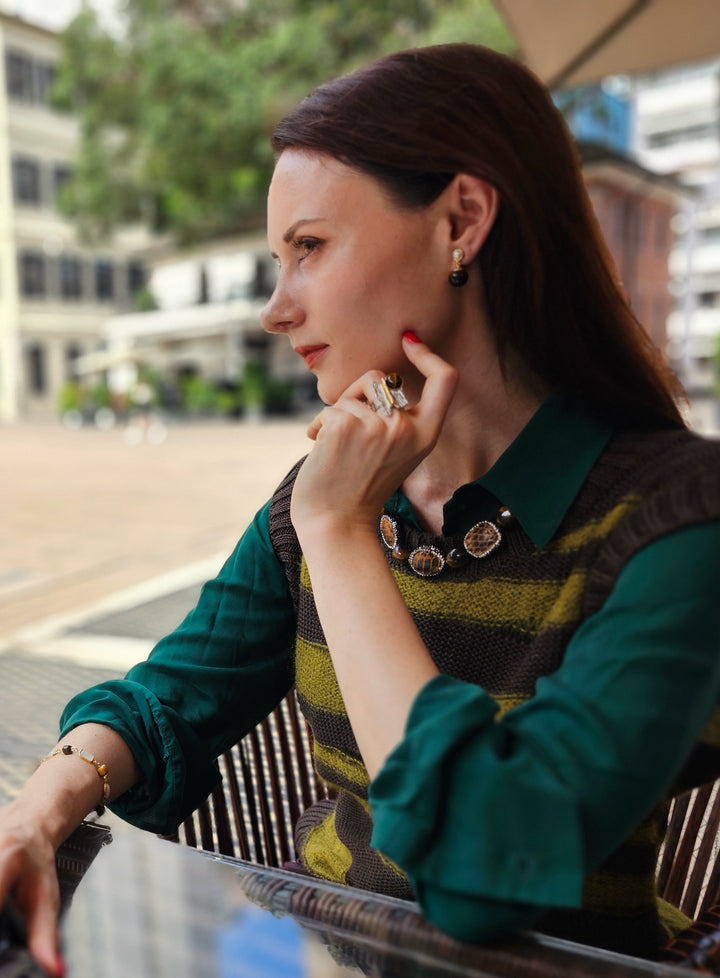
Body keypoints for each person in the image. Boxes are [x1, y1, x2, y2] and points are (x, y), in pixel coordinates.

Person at [2, 42, 720, 977]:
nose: (275, 308)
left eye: (308, 248)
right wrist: (37, 808)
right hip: (315, 954)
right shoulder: (325, 497)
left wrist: (340, 535)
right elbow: (165, 697)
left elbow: (481, 868)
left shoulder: (676, 522)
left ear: (461, 220)